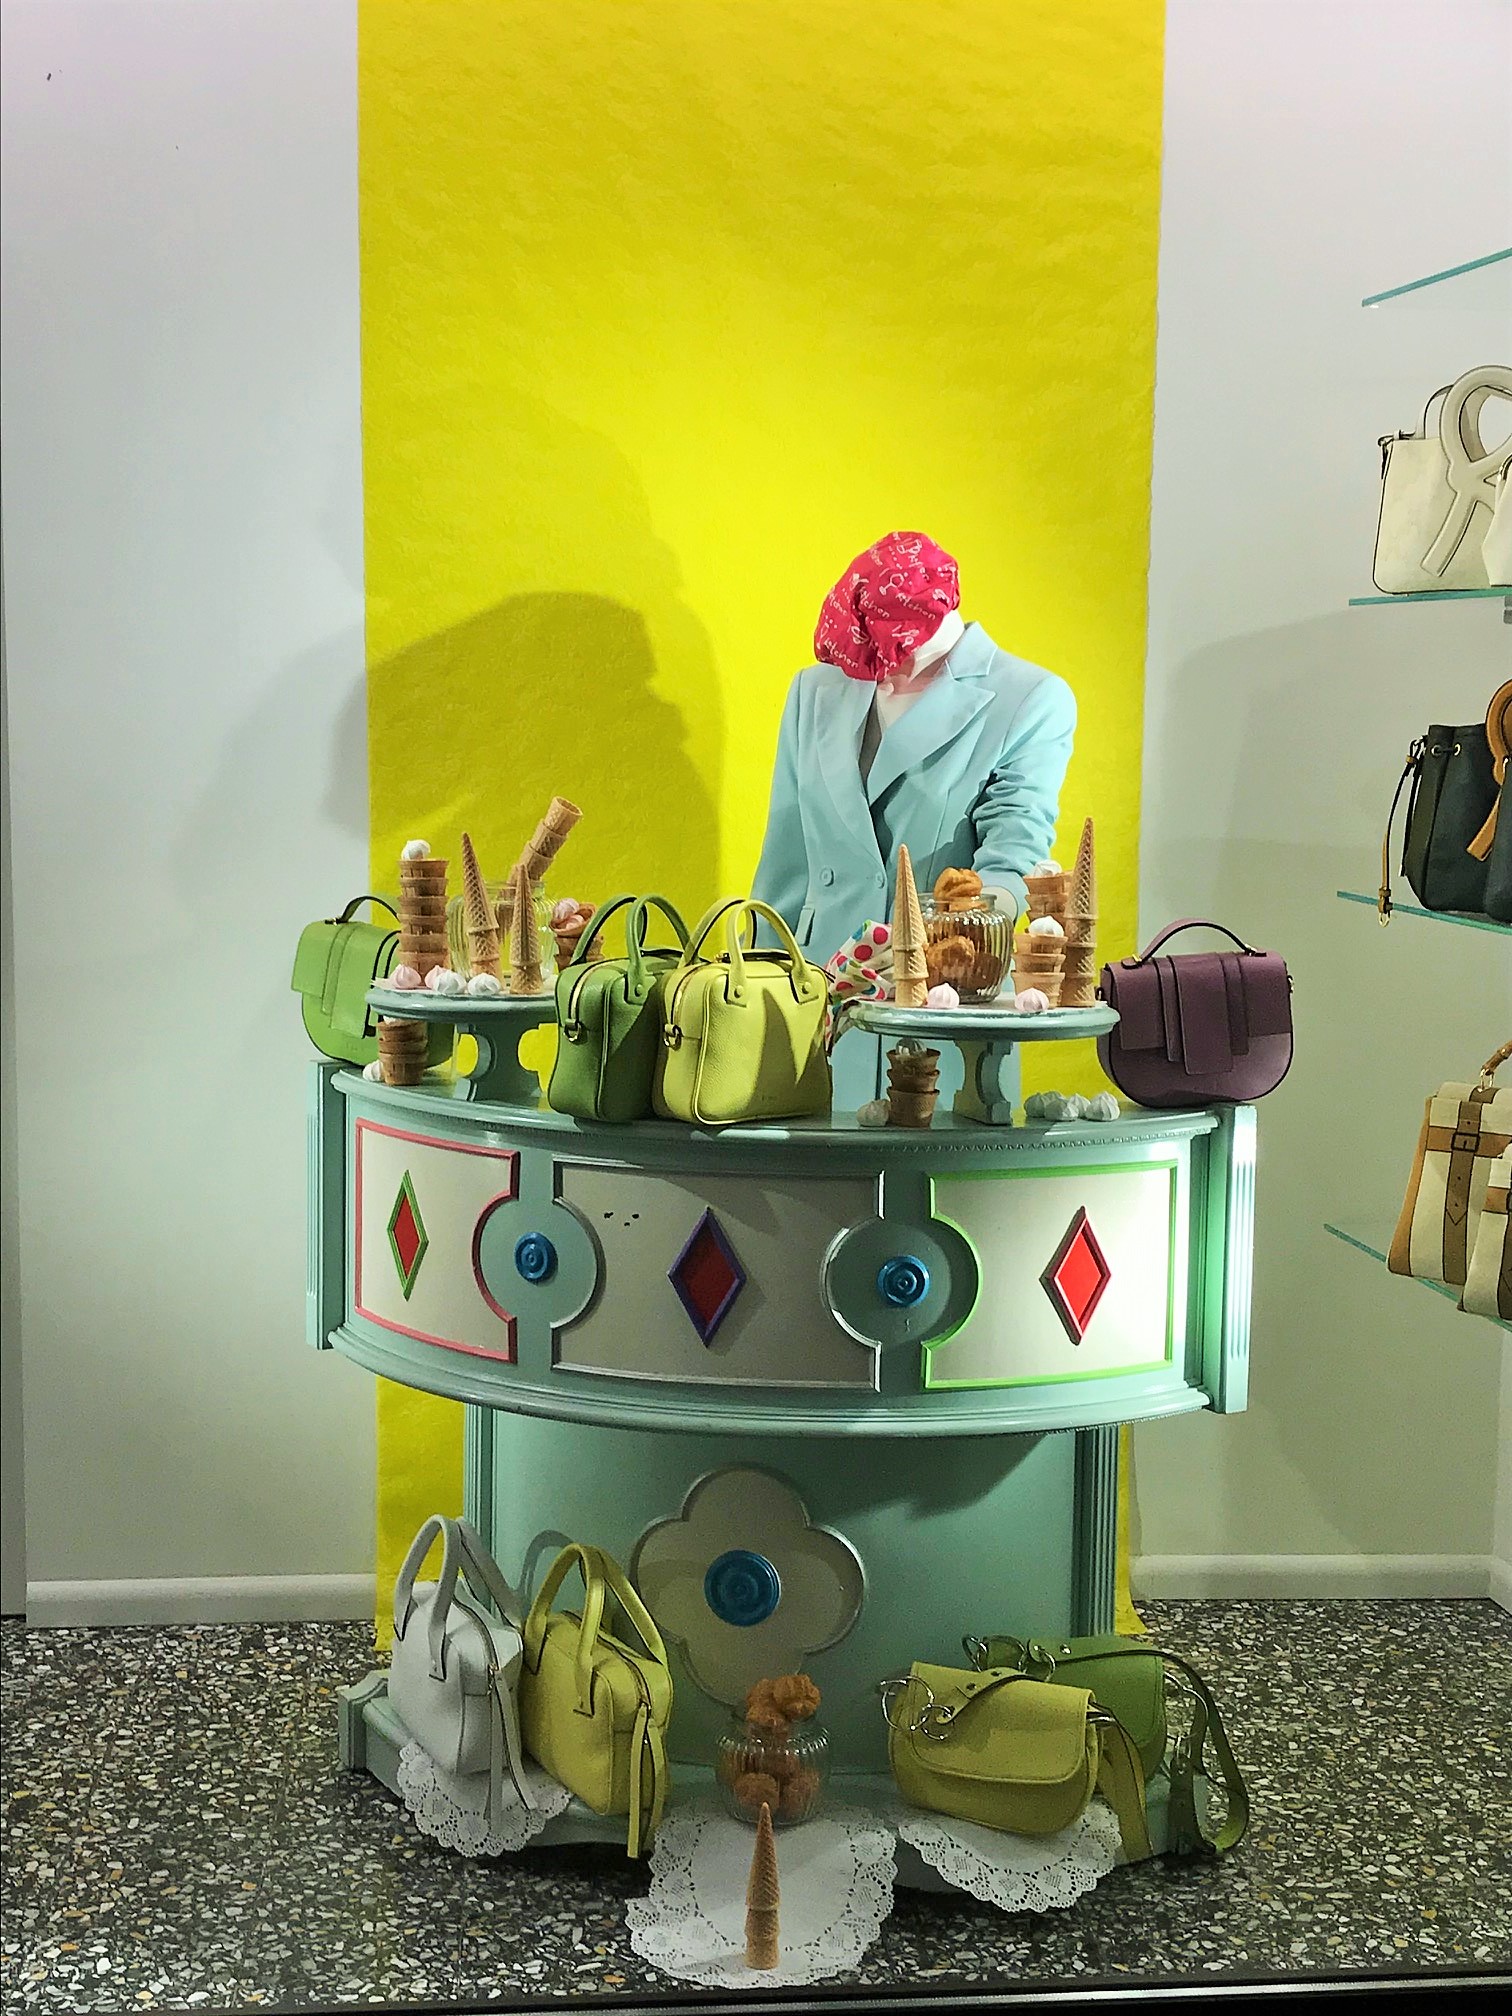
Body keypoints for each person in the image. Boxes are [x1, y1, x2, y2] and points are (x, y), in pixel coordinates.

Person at [752, 530, 1076, 1108]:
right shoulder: (816, 690)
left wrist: (953, 948)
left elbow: (1012, 858)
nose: (869, 665)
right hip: (815, 1000)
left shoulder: (1029, 698)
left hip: (943, 1005)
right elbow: (785, 861)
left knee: (925, 1160)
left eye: (879, 646)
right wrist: (755, 989)